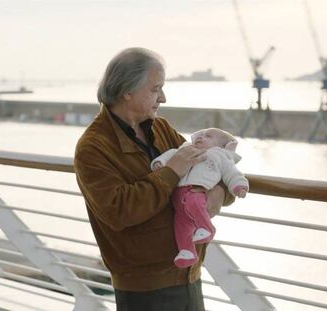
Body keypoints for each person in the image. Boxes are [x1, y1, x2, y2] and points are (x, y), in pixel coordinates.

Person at [74, 47, 234, 311]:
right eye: (155, 89)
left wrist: (219, 194)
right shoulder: (93, 147)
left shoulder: (160, 128)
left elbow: (209, 167)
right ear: (127, 91)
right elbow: (118, 210)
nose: (163, 98)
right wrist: (171, 172)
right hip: (144, 286)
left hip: (188, 272)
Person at [151, 127, 249, 268]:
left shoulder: (219, 156)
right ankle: (187, 251)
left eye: (208, 136)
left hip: (196, 191)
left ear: (221, 147)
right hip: (178, 197)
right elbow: (170, 155)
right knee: (181, 225)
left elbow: (232, 173)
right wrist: (160, 163)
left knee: (194, 203)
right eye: (200, 135)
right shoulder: (185, 150)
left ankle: (207, 228)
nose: (201, 137)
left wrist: (238, 186)